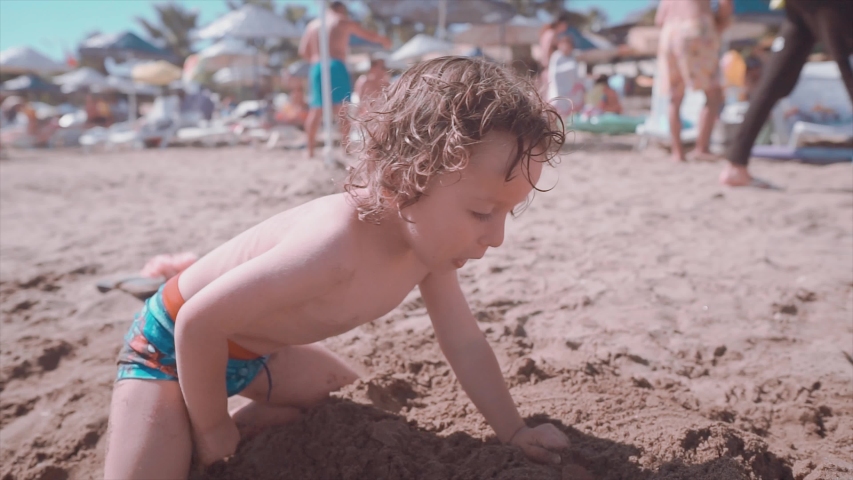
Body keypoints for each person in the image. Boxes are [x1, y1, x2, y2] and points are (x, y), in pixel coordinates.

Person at [103, 56, 570, 479]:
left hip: (256, 356)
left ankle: (197, 422)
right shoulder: (333, 245)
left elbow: (465, 343)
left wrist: (514, 431)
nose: (496, 236)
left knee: (339, 396)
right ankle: (185, 419)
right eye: (481, 212)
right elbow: (196, 321)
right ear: (405, 177)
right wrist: (212, 428)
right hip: (165, 351)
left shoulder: (428, 251)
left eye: (508, 213)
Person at [719, 0, 853, 187]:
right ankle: (736, 165)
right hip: (829, 5)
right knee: (848, 74)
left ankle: (736, 164)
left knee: (773, 80)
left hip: (798, 6)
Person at [298, 1, 391, 158]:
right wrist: (384, 40)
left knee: (316, 109)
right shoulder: (341, 20)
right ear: (340, 8)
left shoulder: (312, 25)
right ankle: (345, 149)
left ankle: (310, 150)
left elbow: (303, 51)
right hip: (335, 64)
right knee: (341, 108)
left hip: (316, 66)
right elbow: (368, 35)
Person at [655, 0, 732, 162]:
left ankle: (677, 153)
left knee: (675, 96)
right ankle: (701, 148)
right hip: (696, 24)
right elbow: (725, 5)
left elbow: (659, 20)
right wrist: (718, 25)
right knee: (714, 94)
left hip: (668, 32)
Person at [547, 35, 584, 118]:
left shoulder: (572, 57)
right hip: (558, 90)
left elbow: (576, 75)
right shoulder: (556, 56)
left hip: (570, 91)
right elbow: (554, 73)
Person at [537, 13, 572, 96]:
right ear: (560, 23)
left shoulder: (547, 33)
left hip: (546, 69)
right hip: (549, 70)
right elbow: (547, 52)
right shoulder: (552, 34)